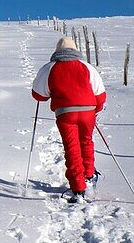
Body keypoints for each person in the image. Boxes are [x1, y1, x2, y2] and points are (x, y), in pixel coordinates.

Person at [31, 36, 106, 203]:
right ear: (75, 49)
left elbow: (38, 95)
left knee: (72, 147)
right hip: (88, 111)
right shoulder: (87, 67)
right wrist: (95, 109)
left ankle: (78, 188)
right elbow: (100, 94)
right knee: (86, 142)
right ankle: (88, 177)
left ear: (57, 51)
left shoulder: (50, 68)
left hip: (65, 113)